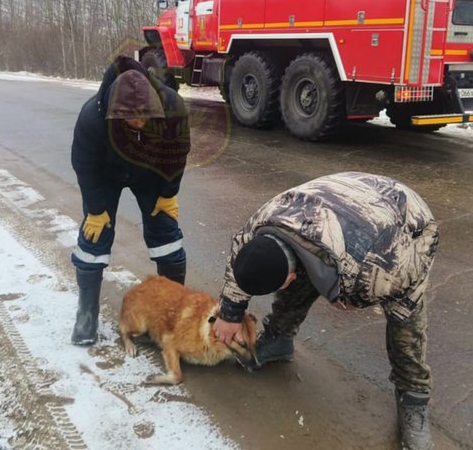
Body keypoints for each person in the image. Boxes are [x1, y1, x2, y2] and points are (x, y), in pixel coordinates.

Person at [212, 172, 439, 450]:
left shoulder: (378, 269)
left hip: (403, 222)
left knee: (405, 319)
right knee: (308, 266)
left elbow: (406, 295)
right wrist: (230, 313)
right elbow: (242, 262)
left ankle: (414, 397)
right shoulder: (261, 225)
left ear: (289, 277)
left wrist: (352, 297)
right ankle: (279, 340)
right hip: (339, 207)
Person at [70, 55, 190, 345]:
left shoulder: (171, 108)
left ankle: (169, 311)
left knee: (167, 237)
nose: (138, 123)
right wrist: (97, 209)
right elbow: (84, 164)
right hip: (106, 176)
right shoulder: (92, 117)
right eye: (130, 117)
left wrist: (167, 193)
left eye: (144, 116)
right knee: (94, 237)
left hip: (149, 173)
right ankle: (87, 313)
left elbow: (178, 152)